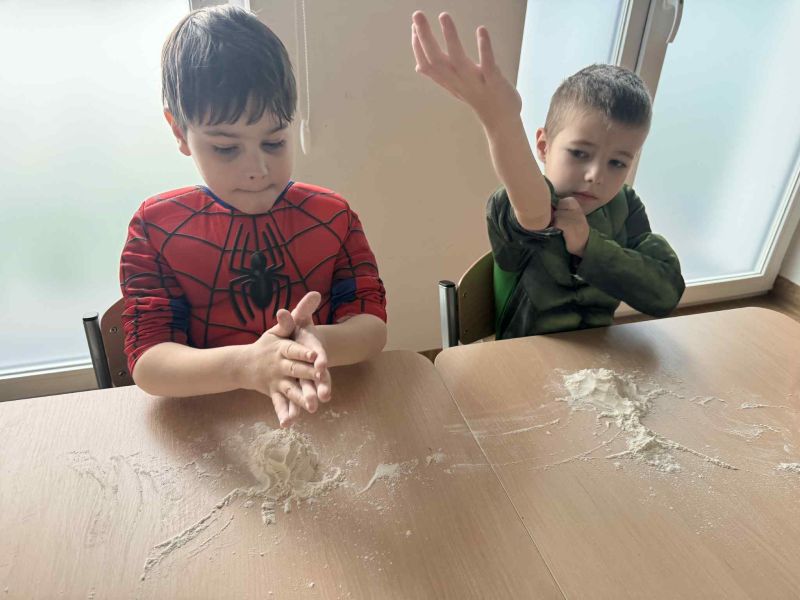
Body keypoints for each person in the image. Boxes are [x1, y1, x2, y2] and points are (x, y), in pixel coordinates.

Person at [120, 6, 387, 426]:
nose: (258, 170)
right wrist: (246, 365)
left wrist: (314, 342)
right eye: (226, 148)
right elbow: (150, 363)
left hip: (321, 415)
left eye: (274, 142)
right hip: (211, 427)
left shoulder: (333, 217)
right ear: (179, 131)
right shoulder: (155, 229)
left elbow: (371, 328)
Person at [411, 12, 684, 339]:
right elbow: (535, 213)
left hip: (601, 356)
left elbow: (666, 295)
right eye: (579, 153)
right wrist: (500, 119)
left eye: (617, 163)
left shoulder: (625, 205)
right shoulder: (514, 201)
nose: (595, 175)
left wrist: (588, 245)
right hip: (523, 359)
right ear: (543, 146)